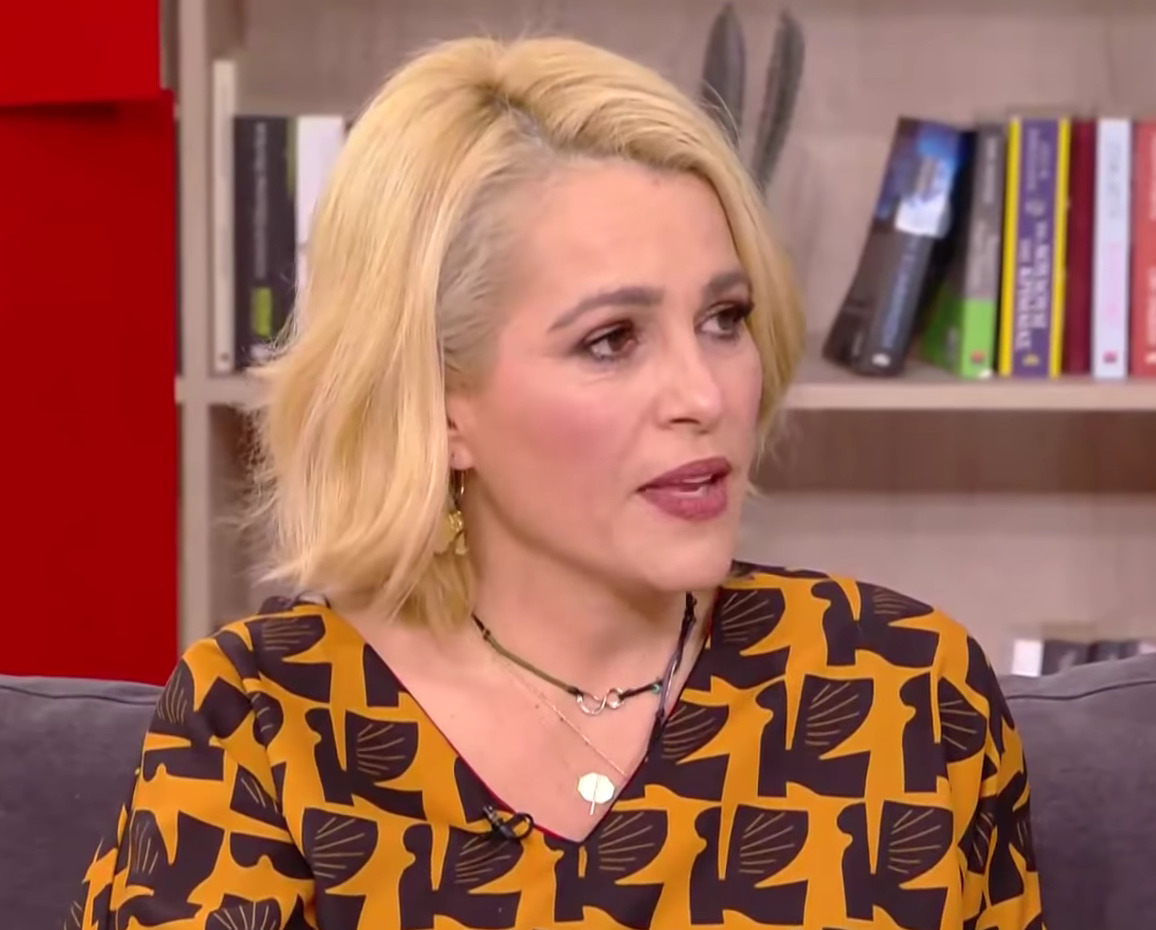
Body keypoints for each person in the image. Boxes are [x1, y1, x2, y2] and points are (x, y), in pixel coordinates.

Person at [70, 34, 1045, 930]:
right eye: (611, 339)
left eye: (725, 319)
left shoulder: (903, 689)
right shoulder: (264, 720)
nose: (704, 395)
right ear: (439, 402)